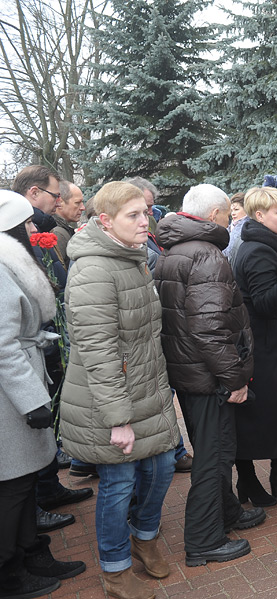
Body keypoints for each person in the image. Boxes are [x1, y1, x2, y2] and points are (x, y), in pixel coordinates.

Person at [60, 181, 180, 599]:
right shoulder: (94, 269)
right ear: (105, 221)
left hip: (147, 392)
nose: (144, 221)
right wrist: (118, 419)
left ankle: (144, 537)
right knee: (118, 484)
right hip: (109, 402)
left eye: (145, 213)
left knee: (162, 469)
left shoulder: (131, 258)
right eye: (134, 215)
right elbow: (97, 350)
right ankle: (115, 570)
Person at [154, 183, 264, 568]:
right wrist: (234, 379)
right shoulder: (206, 256)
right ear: (216, 215)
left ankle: (228, 512)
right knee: (214, 457)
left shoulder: (172, 251)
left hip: (188, 373)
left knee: (213, 448)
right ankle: (203, 540)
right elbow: (210, 328)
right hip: (208, 376)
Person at [0, 190, 86, 599]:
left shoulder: (9, 261)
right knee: (13, 487)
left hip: (23, 385)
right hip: (11, 398)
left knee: (24, 481)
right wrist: (31, 399)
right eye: (28, 223)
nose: (35, 229)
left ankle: (32, 552)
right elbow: (3, 345)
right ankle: (10, 571)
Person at [13, 167, 93, 531]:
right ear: (33, 194)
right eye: (55, 194)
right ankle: (34, 511)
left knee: (42, 441)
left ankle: (47, 488)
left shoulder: (34, 239)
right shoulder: (14, 252)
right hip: (27, 360)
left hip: (42, 347)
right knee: (26, 450)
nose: (59, 202)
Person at [230, 186, 277, 507]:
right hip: (260, 347)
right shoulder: (259, 251)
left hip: (269, 344)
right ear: (259, 216)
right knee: (260, 413)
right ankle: (247, 479)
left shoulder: (265, 244)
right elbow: (263, 302)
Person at [51, 180, 85, 261]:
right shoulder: (57, 233)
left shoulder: (61, 230)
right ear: (59, 202)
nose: (83, 208)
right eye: (77, 203)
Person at [223, 192, 247, 259]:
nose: (233, 213)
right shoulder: (230, 227)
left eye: (236, 210)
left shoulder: (247, 228)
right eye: (231, 210)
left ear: (246, 209)